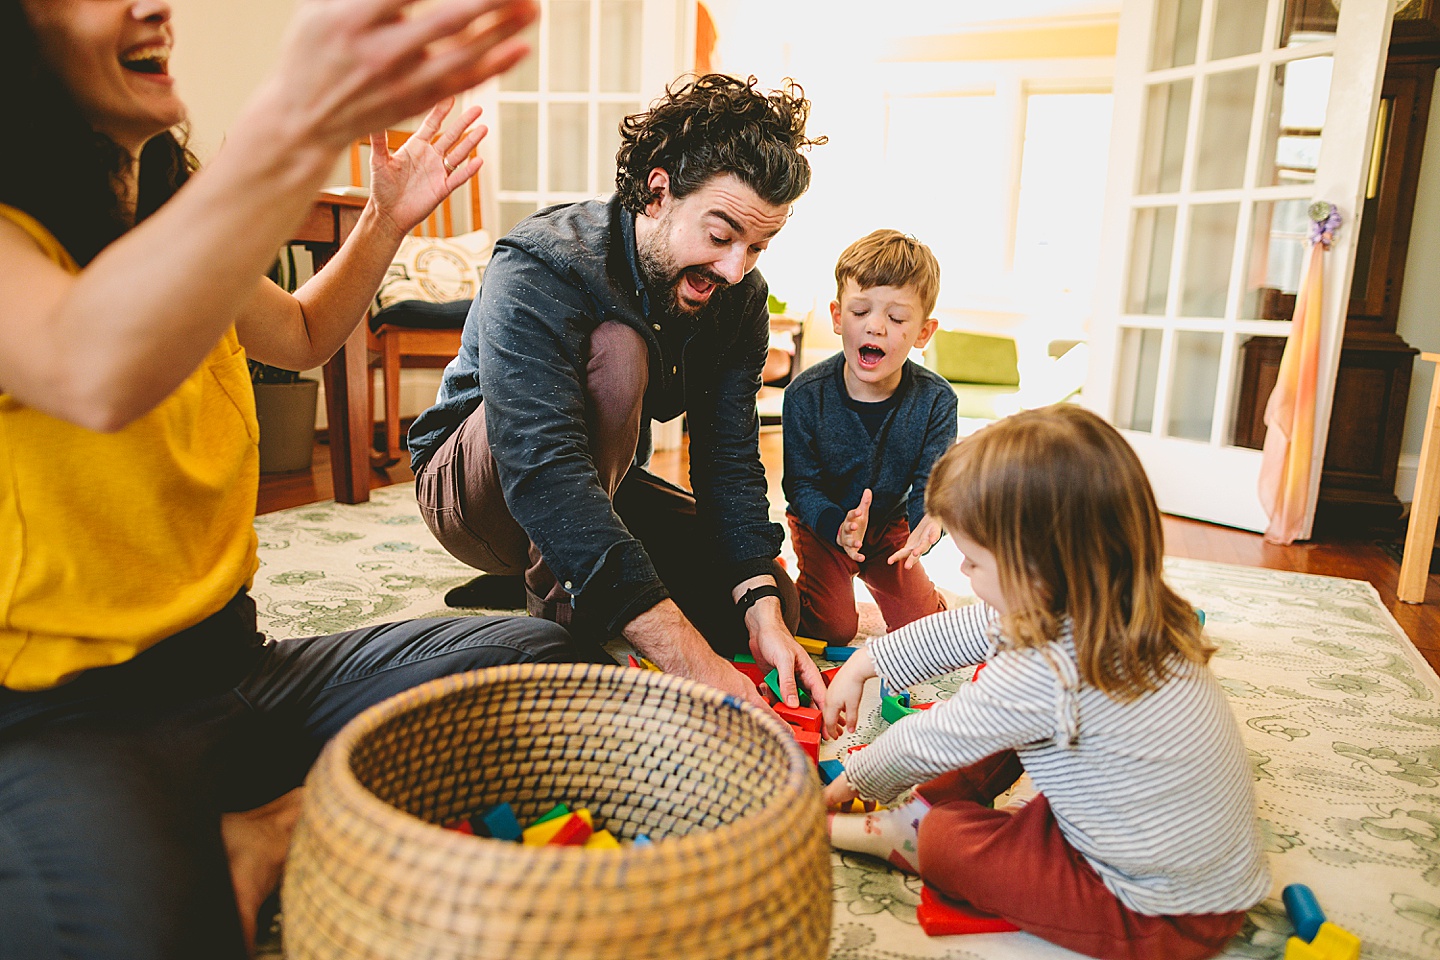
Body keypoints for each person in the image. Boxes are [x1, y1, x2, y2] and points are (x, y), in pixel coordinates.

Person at [0, 1, 606, 957]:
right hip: (66, 716)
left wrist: (384, 217)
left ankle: (274, 826)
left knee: (548, 667)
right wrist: (298, 118)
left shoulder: (163, 197)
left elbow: (303, 333)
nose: (154, 5)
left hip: (233, 671)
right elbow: (89, 365)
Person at [408, 73, 829, 711]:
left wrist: (762, 606)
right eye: (719, 237)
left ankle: (574, 580)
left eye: (757, 246)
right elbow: (544, 473)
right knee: (619, 348)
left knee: (766, 598)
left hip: (598, 482)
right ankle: (553, 626)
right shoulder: (541, 262)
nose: (735, 268)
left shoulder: (739, 295)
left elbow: (728, 461)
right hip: (479, 489)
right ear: (658, 192)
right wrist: (693, 663)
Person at [819, 405, 1269, 960]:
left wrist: (854, 781)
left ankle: (911, 832)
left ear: (1038, 568)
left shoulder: (1050, 669)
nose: (962, 574)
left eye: (974, 563)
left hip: (1158, 913)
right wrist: (867, 663)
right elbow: (970, 629)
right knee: (995, 712)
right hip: (1140, 842)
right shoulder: (1105, 602)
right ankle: (934, 809)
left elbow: (936, 737)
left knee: (947, 840)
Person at [782, 229, 955, 644]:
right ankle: (782, 581)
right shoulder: (804, 395)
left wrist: (929, 523)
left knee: (926, 634)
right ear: (838, 316)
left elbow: (932, 488)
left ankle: (929, 599)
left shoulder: (937, 400)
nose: (875, 328)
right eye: (860, 312)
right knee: (833, 630)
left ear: (923, 333)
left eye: (896, 319)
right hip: (825, 527)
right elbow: (800, 485)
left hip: (890, 527)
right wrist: (836, 526)